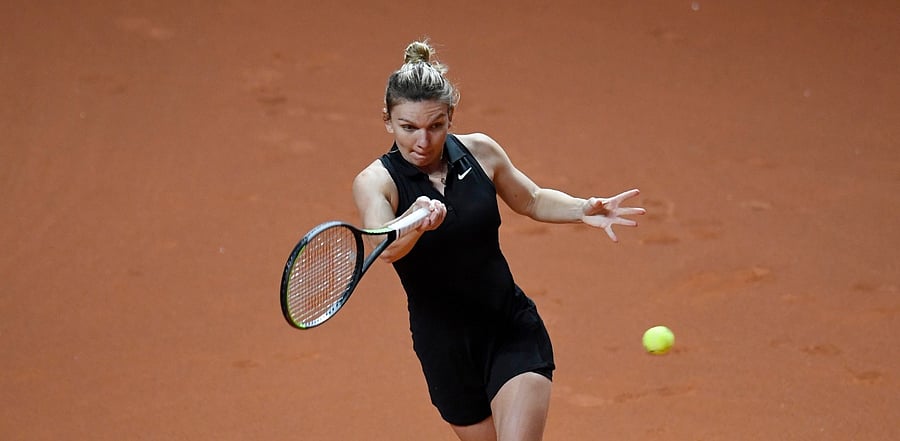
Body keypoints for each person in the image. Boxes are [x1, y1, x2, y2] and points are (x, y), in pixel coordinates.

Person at [352, 40, 645, 441]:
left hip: (509, 327)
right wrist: (415, 221)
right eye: (408, 127)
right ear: (387, 120)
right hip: (446, 349)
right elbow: (384, 248)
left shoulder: (481, 152)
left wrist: (582, 209)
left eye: (435, 125)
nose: (423, 140)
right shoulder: (376, 183)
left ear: (451, 117)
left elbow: (533, 199)